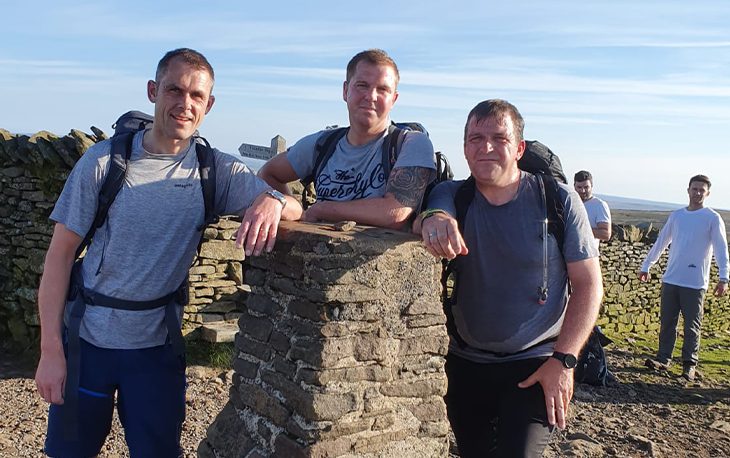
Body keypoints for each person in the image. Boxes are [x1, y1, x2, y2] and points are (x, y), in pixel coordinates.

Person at [34, 48, 302, 458]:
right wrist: (50, 351)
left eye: (197, 95)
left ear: (209, 105)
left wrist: (273, 202)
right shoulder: (103, 162)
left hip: (157, 349)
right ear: (153, 91)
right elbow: (59, 256)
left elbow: (298, 209)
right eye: (174, 90)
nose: (185, 103)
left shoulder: (215, 171)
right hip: (87, 343)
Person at [416, 99, 603, 457]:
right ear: (465, 148)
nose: (485, 147)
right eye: (475, 138)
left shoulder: (557, 200)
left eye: (499, 138)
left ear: (519, 148)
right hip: (466, 361)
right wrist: (434, 217)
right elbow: (436, 206)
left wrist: (564, 363)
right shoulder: (453, 195)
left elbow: (589, 285)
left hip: (537, 361)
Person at [258, 49, 435, 229]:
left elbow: (395, 211)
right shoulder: (322, 144)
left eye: (382, 89)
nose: (371, 96)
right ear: (345, 90)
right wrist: (295, 212)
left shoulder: (411, 144)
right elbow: (268, 173)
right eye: (362, 85)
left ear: (393, 100)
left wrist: (321, 210)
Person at [640, 174, 728, 382]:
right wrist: (646, 265)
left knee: (692, 326)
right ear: (688, 190)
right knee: (667, 322)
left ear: (707, 193)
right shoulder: (677, 216)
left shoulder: (712, 218)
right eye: (694, 189)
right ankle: (663, 358)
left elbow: (721, 250)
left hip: (695, 282)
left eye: (701, 190)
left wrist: (724, 277)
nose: (697, 193)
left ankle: (689, 365)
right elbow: (661, 243)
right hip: (671, 279)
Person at [574, 170, 612, 249]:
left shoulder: (599, 205)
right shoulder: (569, 203)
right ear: (574, 186)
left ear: (592, 186)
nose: (583, 191)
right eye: (579, 187)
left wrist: (580, 229)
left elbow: (606, 234)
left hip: (588, 255)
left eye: (586, 187)